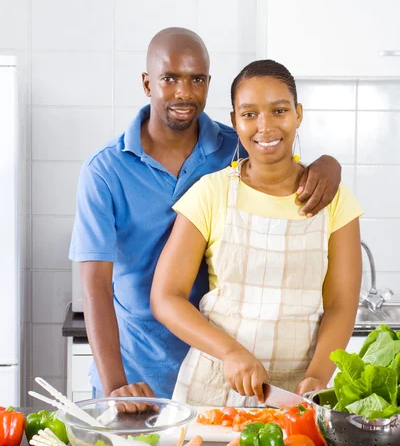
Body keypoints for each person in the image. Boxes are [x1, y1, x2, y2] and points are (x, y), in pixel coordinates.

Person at [69, 28, 342, 401]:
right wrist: (117, 384)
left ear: (208, 83)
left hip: (216, 368)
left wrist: (327, 164)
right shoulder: (105, 170)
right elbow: (96, 286)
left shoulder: (236, 145)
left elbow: (283, 160)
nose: (184, 92)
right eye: (169, 78)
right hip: (138, 371)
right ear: (148, 83)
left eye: (196, 79)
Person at [151, 59, 363, 406]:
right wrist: (230, 351)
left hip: (297, 391)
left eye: (279, 110)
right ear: (234, 121)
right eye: (249, 114)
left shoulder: (335, 200)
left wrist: (318, 376)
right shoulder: (210, 193)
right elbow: (165, 297)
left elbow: (341, 304)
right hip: (215, 386)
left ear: (298, 114)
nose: (265, 126)